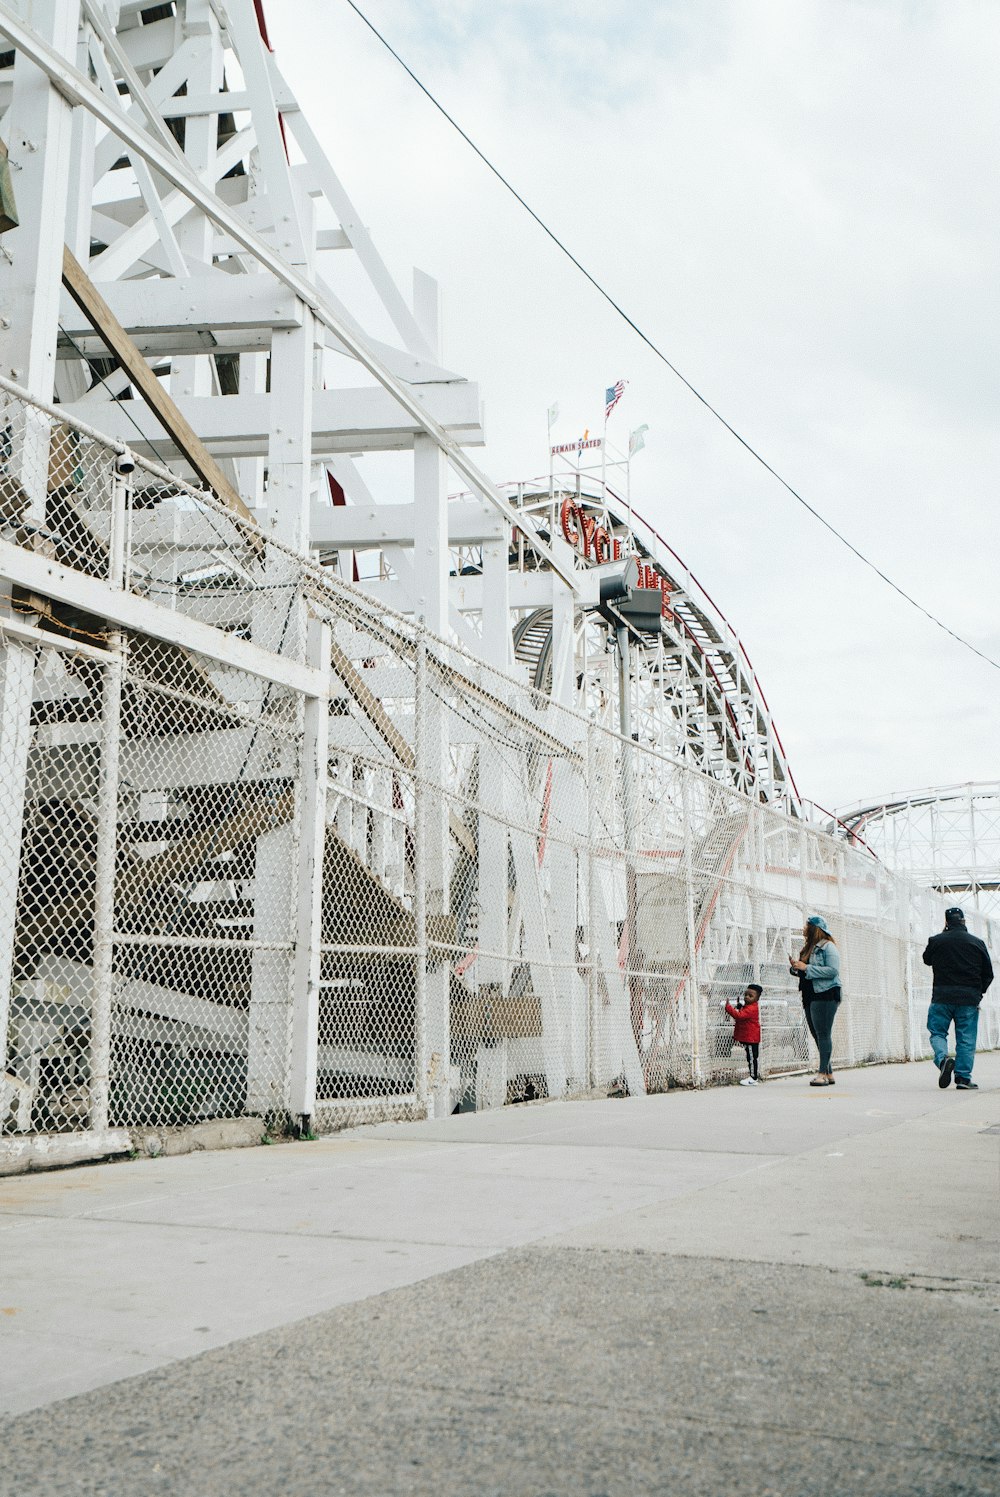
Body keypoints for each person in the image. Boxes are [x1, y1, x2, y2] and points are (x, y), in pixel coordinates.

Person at [922, 906, 993, 1091]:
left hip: (942, 996)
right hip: (968, 998)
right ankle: (963, 1078)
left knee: (938, 1033)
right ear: (963, 921)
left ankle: (943, 1059)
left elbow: (926, 959)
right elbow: (988, 973)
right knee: (966, 1039)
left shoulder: (936, 941)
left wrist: (942, 937)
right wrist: (979, 992)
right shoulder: (977, 943)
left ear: (946, 922)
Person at [790, 915, 841, 1086]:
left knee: (823, 1034)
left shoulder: (828, 947)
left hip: (825, 993)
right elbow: (806, 972)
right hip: (809, 994)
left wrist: (807, 967)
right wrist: (797, 968)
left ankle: (822, 1074)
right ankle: (829, 1073)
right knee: (816, 1034)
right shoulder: (808, 948)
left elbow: (833, 971)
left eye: (807, 926)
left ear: (815, 928)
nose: (804, 929)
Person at [725, 983, 762, 1086]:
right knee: (751, 1057)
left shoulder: (752, 1008)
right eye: (746, 994)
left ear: (757, 998)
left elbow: (739, 1016)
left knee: (751, 1058)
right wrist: (740, 1006)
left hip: (751, 1038)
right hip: (750, 1037)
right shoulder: (750, 1006)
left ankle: (753, 1078)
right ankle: (753, 1077)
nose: (746, 997)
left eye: (750, 996)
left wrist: (729, 1008)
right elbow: (744, 1012)